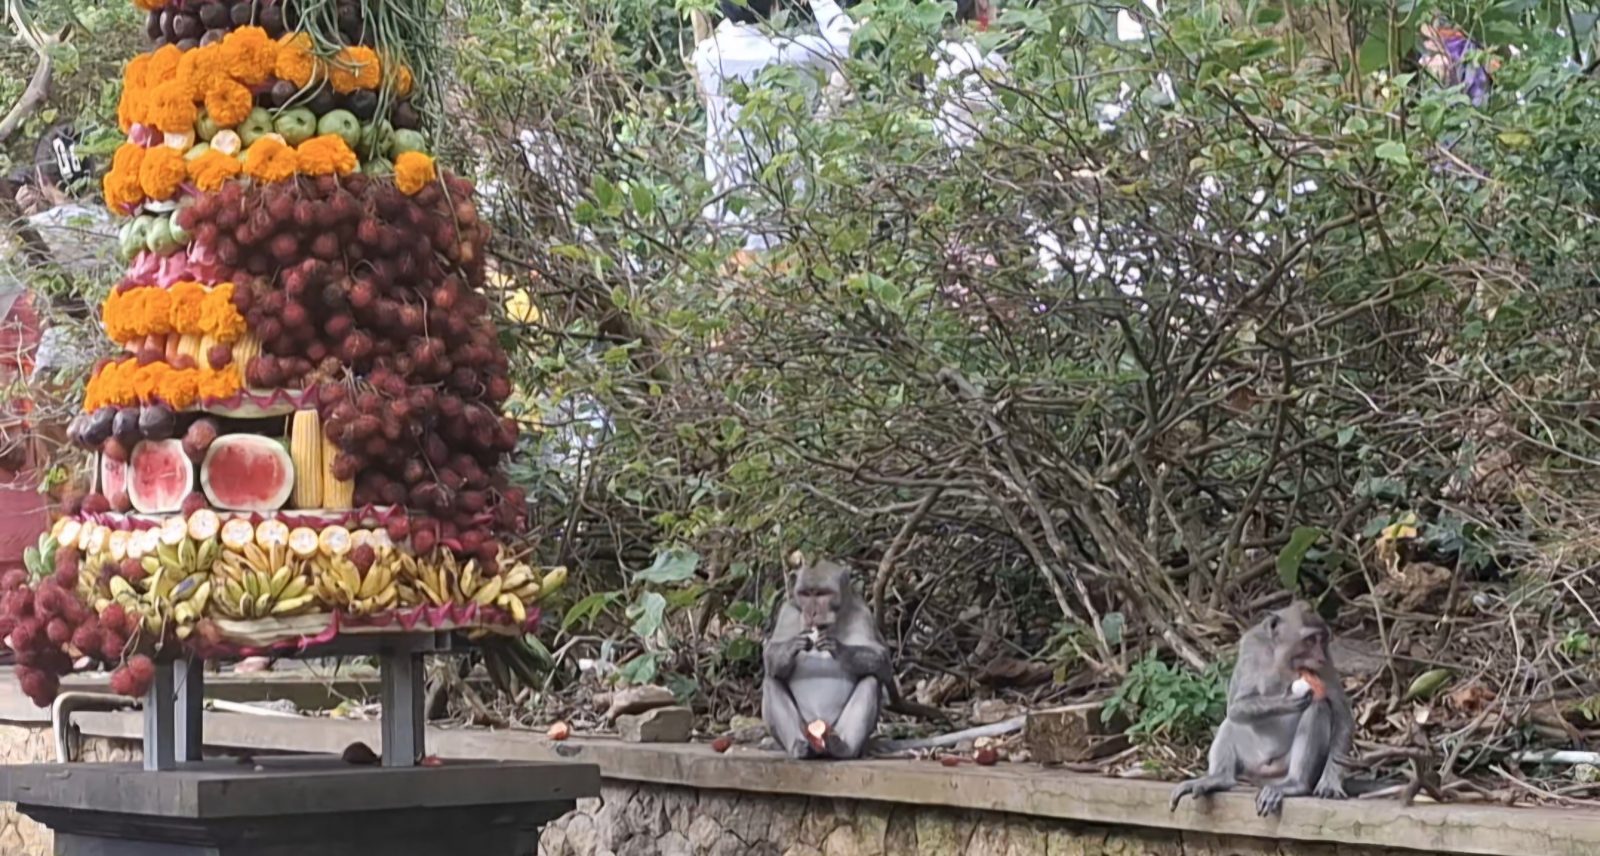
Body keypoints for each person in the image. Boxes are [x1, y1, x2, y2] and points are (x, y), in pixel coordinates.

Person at [693, 0, 858, 255]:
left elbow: (732, 25)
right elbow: (847, 44)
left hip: (727, 229)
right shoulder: (790, 52)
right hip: (788, 227)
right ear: (775, 8)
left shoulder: (706, 55)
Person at [929, 0, 1007, 153]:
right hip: (980, 155)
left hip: (945, 155)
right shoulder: (989, 60)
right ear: (983, 4)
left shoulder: (937, 56)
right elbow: (1002, 120)